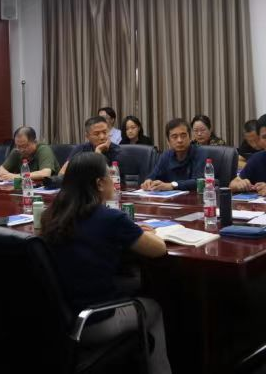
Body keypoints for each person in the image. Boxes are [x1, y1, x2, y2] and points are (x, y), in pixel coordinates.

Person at [41, 152, 172, 374]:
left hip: (60, 318)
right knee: (154, 308)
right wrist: (145, 232)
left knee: (132, 281)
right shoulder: (111, 218)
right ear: (100, 184)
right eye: (110, 176)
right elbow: (159, 249)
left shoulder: (51, 215)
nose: (113, 181)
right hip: (94, 321)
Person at [142, 118, 206, 191]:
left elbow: (199, 181)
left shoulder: (200, 153)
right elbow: (154, 175)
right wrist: (148, 181)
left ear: (190, 138)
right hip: (170, 197)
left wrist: (172, 185)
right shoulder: (166, 155)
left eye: (183, 136)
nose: (179, 140)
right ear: (168, 141)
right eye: (174, 137)